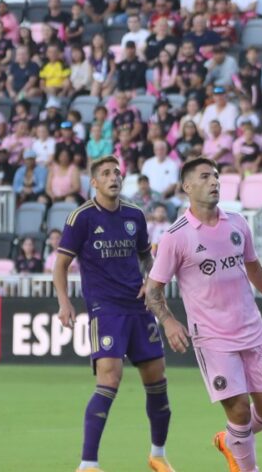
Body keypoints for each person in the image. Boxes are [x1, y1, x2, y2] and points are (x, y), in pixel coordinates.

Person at [145, 158, 262, 472]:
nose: (215, 181)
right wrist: (170, 321)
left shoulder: (238, 223)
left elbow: (254, 267)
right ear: (187, 187)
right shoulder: (176, 237)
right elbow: (152, 291)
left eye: (216, 176)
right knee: (240, 411)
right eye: (205, 177)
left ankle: (231, 441)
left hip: (252, 329)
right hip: (213, 338)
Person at [51, 156, 175, 472]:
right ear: (94, 182)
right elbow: (61, 264)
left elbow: (148, 258)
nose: (113, 177)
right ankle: (88, 463)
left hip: (138, 308)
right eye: (105, 173)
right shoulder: (81, 218)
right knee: (110, 376)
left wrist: (151, 281)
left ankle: (158, 455)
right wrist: (64, 303)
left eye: (117, 171)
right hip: (105, 309)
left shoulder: (134, 215)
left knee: (157, 379)